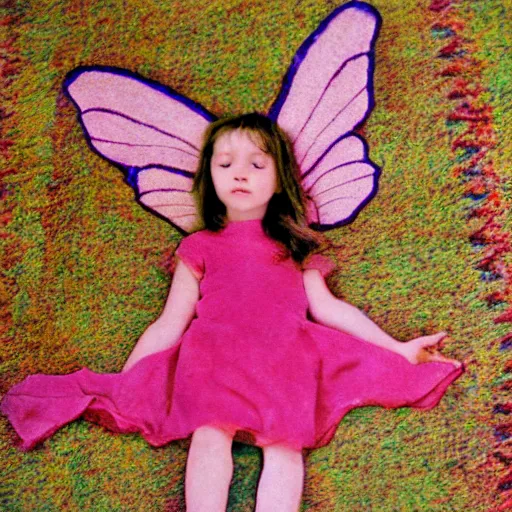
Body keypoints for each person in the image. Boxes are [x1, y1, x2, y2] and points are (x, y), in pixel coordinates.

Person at [1, 113, 463, 512]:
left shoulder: (293, 246)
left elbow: (328, 308)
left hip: (285, 355)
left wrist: (396, 347)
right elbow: (170, 321)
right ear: (209, 176)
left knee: (285, 446)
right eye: (225, 164)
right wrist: (132, 378)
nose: (239, 174)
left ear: (280, 179)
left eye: (257, 164)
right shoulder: (199, 246)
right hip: (215, 355)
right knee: (209, 432)